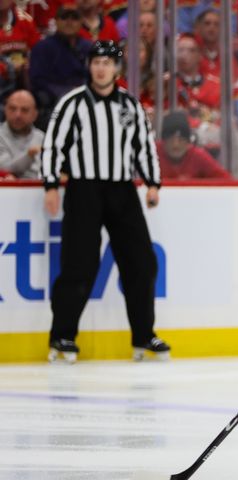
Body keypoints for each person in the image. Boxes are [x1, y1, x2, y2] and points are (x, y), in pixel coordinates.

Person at [41, 40, 170, 364]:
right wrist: (51, 185)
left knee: (141, 261)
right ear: (90, 66)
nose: (101, 68)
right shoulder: (72, 103)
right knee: (79, 263)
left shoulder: (130, 104)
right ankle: (62, 336)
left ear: (117, 68)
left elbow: (144, 146)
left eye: (107, 63)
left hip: (122, 190)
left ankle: (143, 336)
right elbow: (53, 146)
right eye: (96, 62)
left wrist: (153, 183)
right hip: (84, 189)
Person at [28, 2, 91, 129]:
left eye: (74, 17)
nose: (69, 21)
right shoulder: (43, 47)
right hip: (53, 103)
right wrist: (66, 92)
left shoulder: (89, 47)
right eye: (64, 17)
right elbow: (37, 80)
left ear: (81, 22)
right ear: (56, 21)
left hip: (86, 99)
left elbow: (93, 76)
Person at [157, 110, 232, 180]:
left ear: (188, 142)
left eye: (181, 140)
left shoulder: (197, 156)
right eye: (170, 140)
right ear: (164, 141)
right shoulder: (152, 154)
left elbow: (227, 180)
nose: (175, 144)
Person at [0, 90, 44, 179]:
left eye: (24, 110)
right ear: (5, 110)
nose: (18, 115)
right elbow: (4, 169)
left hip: (40, 190)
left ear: (35, 115)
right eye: (12, 108)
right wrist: (30, 155)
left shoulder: (43, 138)